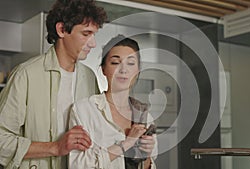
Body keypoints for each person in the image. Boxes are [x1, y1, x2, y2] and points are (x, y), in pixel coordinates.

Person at [0, 0, 107, 168]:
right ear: (62, 30)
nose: (93, 44)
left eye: (94, 35)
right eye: (86, 34)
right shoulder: (26, 75)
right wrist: (55, 147)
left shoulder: (89, 77)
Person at [68, 35, 157, 169]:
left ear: (138, 71)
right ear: (103, 69)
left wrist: (147, 156)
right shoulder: (84, 110)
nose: (123, 70)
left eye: (131, 63)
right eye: (115, 62)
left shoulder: (146, 118)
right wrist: (127, 143)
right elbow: (77, 165)